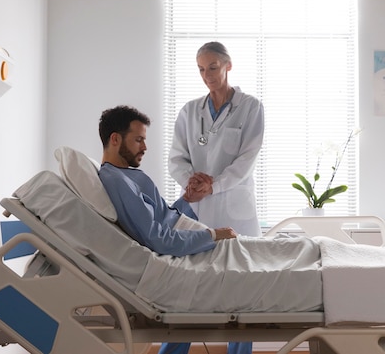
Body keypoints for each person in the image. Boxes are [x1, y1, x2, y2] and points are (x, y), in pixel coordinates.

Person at [167, 42, 263, 354]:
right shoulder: (189, 111)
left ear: (227, 66)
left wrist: (215, 185)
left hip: (236, 212)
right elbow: (176, 158)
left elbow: (246, 160)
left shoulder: (250, 107)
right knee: (189, 288)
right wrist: (191, 183)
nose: (206, 75)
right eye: (201, 69)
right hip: (196, 210)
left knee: (241, 289)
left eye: (212, 67)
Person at [97, 105, 237, 258]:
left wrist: (186, 200)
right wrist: (213, 234)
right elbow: (158, 239)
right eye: (138, 140)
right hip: (187, 240)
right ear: (115, 139)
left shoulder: (126, 175)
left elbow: (161, 218)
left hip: (188, 234)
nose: (145, 147)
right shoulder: (117, 181)